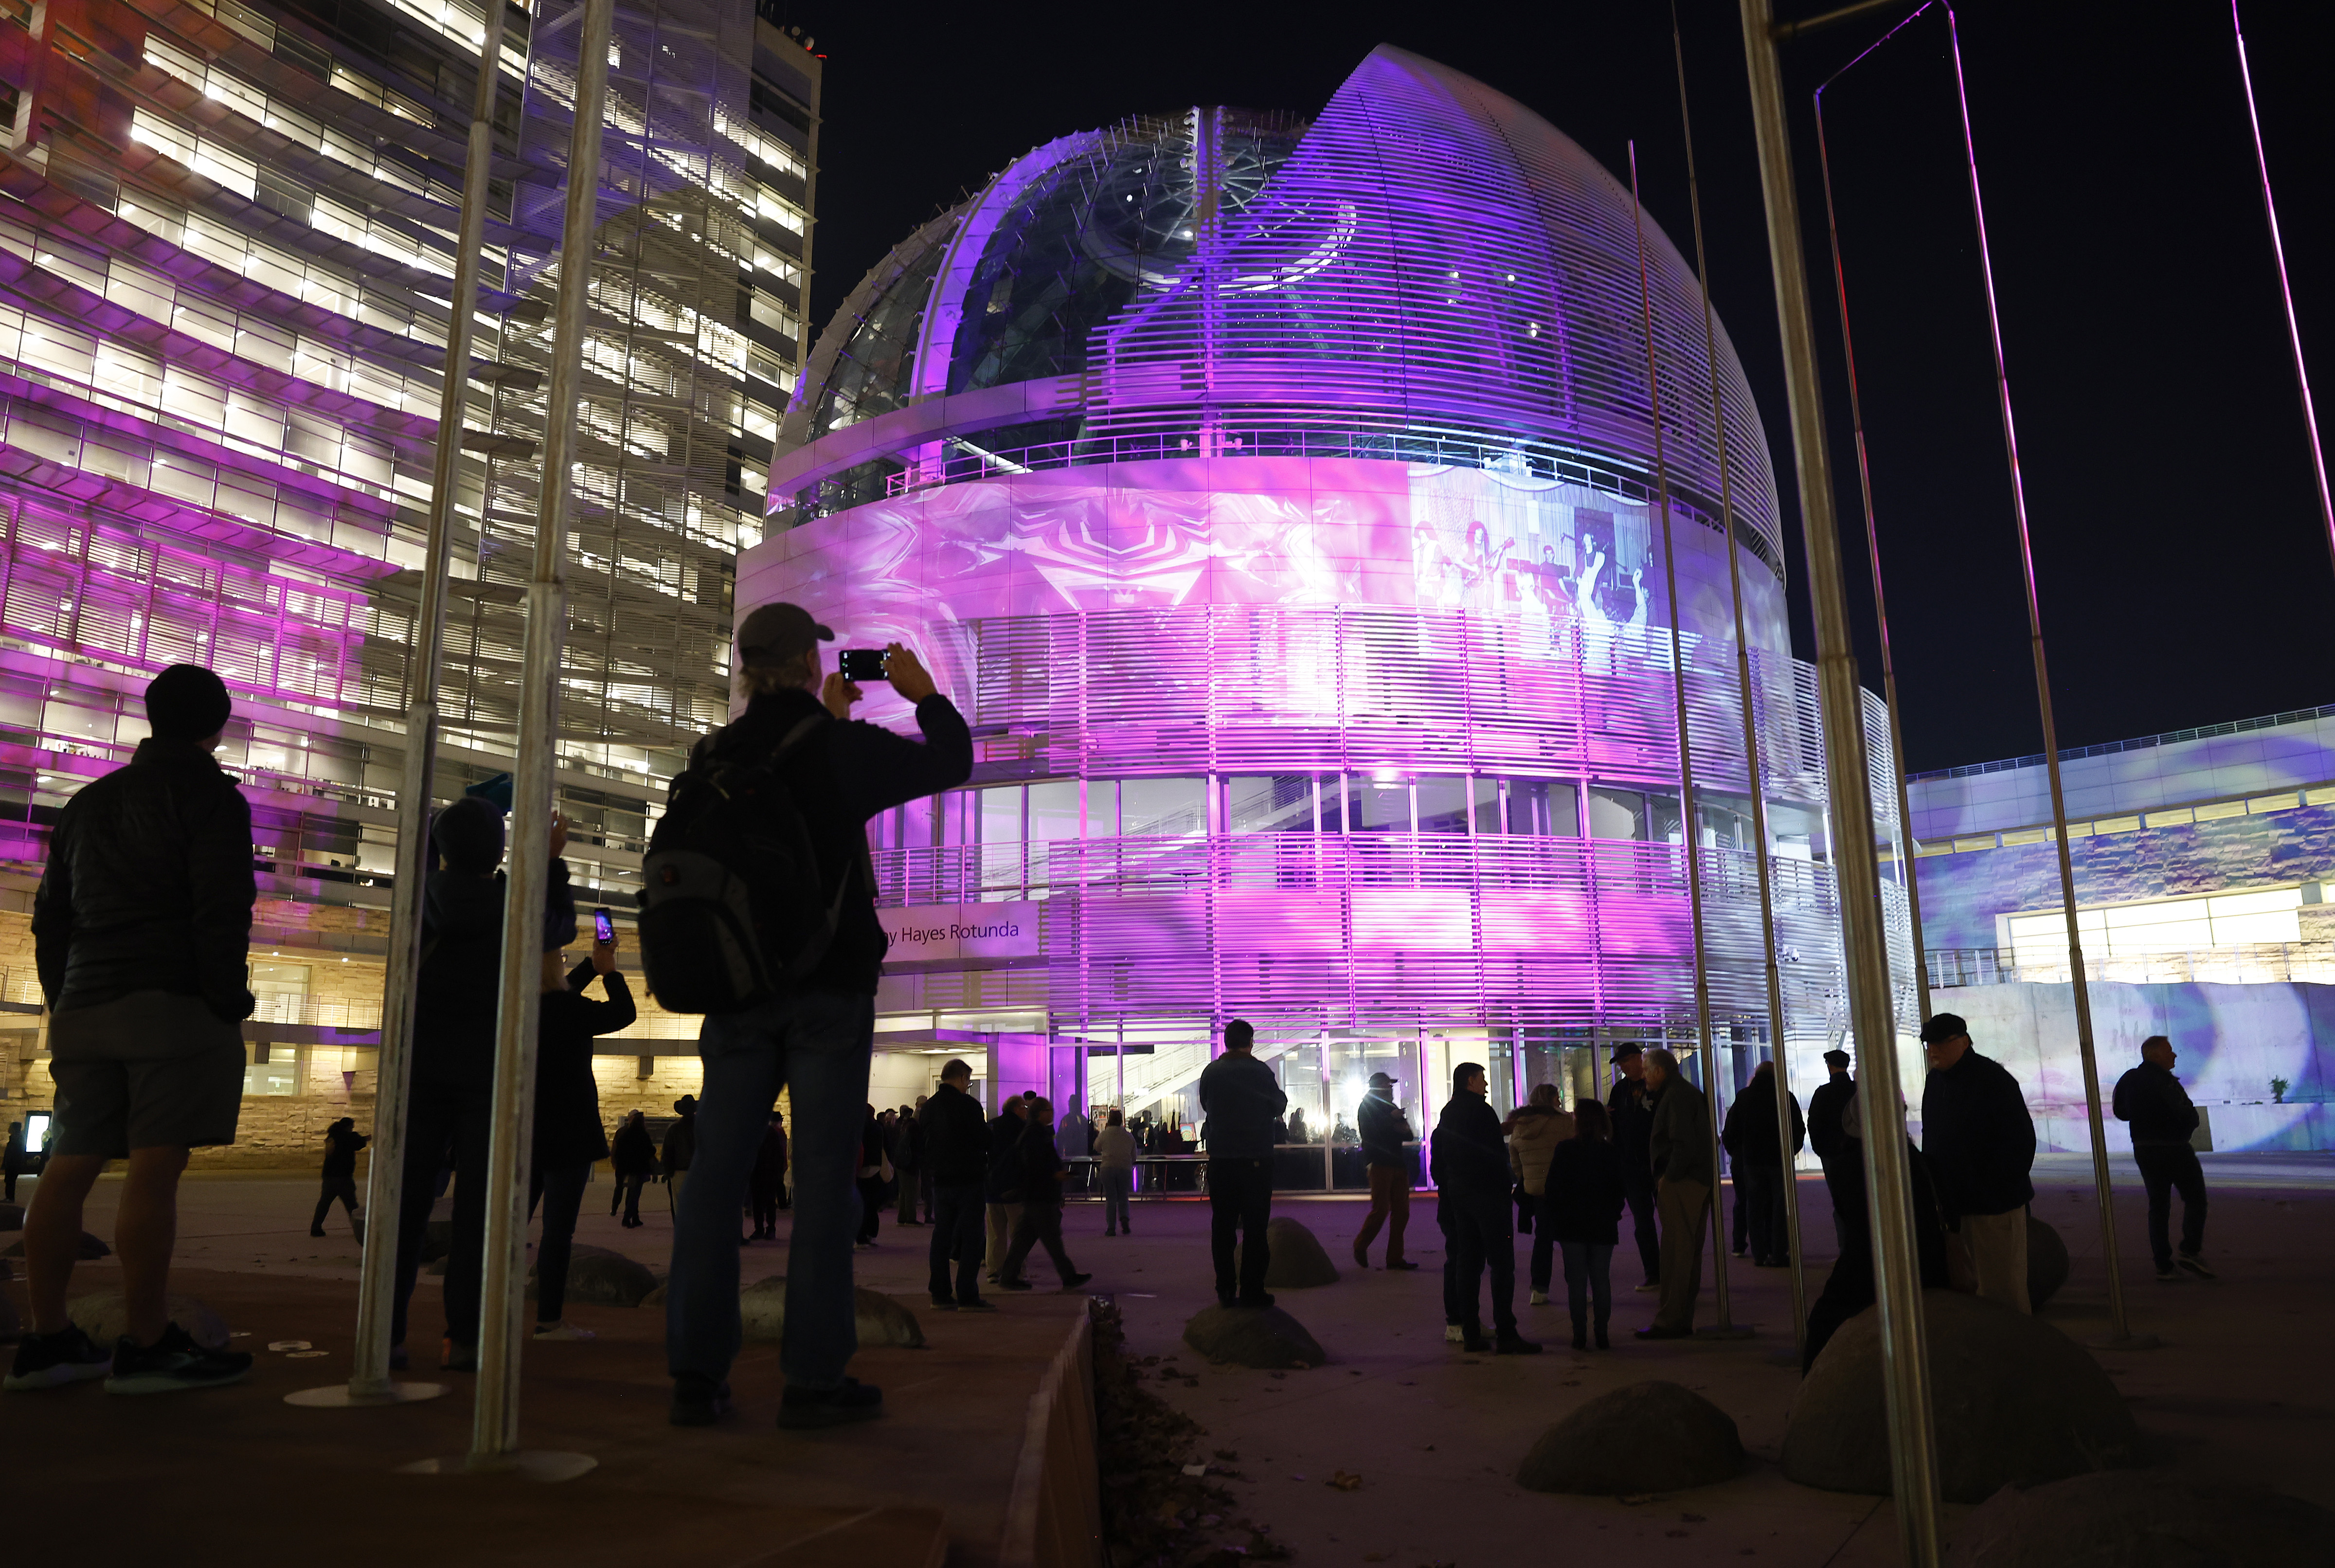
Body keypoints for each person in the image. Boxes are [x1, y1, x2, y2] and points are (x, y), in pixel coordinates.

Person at [664, 604, 970, 1431]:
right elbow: (953, 760)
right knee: (825, 1181)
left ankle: (696, 1372)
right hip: (829, 993)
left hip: (734, 995)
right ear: (810, 660)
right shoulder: (839, 749)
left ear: (745, 665)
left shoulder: (716, 753)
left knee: (715, 1180)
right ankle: (813, 1378)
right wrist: (922, 693)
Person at [10, 665, 256, 1394]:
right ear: (217, 725)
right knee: (155, 1165)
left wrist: (68, 998)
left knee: (70, 1162)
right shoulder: (210, 796)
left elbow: (51, 917)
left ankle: (47, 1336)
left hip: (86, 1003)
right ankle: (147, 1342)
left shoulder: (88, 803)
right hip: (170, 1000)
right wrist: (224, 998)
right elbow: (221, 906)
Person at [387, 797, 575, 1373]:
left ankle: (385, 1333)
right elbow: (559, 926)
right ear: (498, 850)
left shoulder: (418, 899)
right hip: (487, 1070)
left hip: (418, 1068)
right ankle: (463, 1337)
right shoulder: (510, 904)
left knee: (406, 1203)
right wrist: (547, 861)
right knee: (478, 1210)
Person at [1802, 1087, 1950, 1370]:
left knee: (1823, 1323)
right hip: (1928, 1266)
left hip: (1871, 1270)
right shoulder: (1919, 1162)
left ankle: (1813, 1397)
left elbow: (1852, 1220)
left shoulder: (1849, 1167)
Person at [532, 925, 632, 1341]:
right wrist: (609, 972)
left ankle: (481, 1315)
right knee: (558, 1233)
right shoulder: (567, 1010)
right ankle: (549, 1320)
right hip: (568, 1132)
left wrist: (592, 965)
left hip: (524, 1129)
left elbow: (560, 992)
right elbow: (623, 1013)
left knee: (506, 1223)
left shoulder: (518, 1005)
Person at [1919, 1012, 2036, 1314]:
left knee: (2002, 1292)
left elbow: (2020, 1143)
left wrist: (1992, 1187)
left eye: (1942, 1044)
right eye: (1929, 1044)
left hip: (1993, 1208)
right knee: (1967, 1292)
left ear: (1964, 1042)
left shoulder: (1992, 1080)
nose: (1933, 1051)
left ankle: (2014, 1354)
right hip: (1955, 1210)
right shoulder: (1936, 1082)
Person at [1430, 1062, 1537, 1354]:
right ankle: (1506, 1333)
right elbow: (1492, 1154)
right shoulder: (1482, 1110)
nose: (1486, 1085)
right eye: (1482, 1079)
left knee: (1467, 1262)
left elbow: (1446, 1155)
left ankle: (1471, 1332)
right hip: (1489, 1198)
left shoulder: (1449, 1113)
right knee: (1501, 1265)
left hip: (1460, 1197)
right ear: (1470, 1081)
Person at [1198, 1018, 1286, 1309]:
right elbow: (1278, 1105)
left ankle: (1225, 1288)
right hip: (1256, 1159)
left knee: (1222, 1227)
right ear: (1251, 1042)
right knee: (1255, 1228)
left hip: (1221, 1159)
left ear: (1226, 1042)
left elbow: (1206, 1104)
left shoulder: (1211, 1072)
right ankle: (1252, 1289)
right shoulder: (1260, 1071)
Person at [2114, 1035, 2212, 1281]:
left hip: (2145, 1149)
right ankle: (2190, 1251)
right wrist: (2187, 1127)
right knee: (2196, 1199)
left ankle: (2163, 1265)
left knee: (2158, 1206)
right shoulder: (2165, 1082)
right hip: (2175, 1148)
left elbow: (2120, 1111)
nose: (2174, 1055)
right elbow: (2186, 1112)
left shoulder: (2129, 1079)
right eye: (2169, 1051)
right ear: (2155, 1055)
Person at [1636, 1047, 1712, 1339]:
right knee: (1685, 1253)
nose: (1644, 1076)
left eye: (1646, 1070)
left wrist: (1670, 1177)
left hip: (1683, 1182)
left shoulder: (1677, 1095)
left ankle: (1670, 1320)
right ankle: (1678, 1318)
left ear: (1660, 1071)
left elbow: (1683, 1142)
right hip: (1690, 1180)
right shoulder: (1682, 1092)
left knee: (1677, 1254)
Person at [1542, 1099, 1627, 1351]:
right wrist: (1613, 1213)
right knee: (1601, 1279)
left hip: (1572, 1224)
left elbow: (1553, 1188)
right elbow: (1619, 1190)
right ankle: (1602, 1333)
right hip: (1603, 1224)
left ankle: (1579, 1335)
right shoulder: (1610, 1152)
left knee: (1576, 1282)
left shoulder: (1565, 1150)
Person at [996, 1097, 1093, 1293]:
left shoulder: (1034, 1132)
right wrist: (1053, 1175)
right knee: (1052, 1239)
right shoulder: (1035, 1134)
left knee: (1024, 1239)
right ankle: (1068, 1276)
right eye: (1049, 1109)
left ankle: (1008, 1276)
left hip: (1035, 1194)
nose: (1052, 1112)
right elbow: (1034, 1164)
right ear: (1040, 1113)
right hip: (1040, 1195)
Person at [922, 1059, 994, 1311]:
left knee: (942, 1236)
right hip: (969, 1179)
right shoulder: (969, 1105)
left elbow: (925, 1144)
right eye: (969, 1081)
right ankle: (967, 1294)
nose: (968, 1086)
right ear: (962, 1078)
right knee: (972, 1238)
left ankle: (940, 1294)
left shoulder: (929, 1107)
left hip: (941, 1180)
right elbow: (984, 1139)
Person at [1719, 1061, 1804, 1269]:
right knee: (1780, 1207)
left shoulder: (1744, 1097)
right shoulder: (1785, 1096)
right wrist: (1789, 1152)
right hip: (1778, 1160)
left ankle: (1758, 1253)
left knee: (1754, 1207)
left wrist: (1738, 1153)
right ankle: (1778, 1253)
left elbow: (1730, 1130)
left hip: (1752, 1161)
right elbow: (1798, 1129)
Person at [1505, 1083, 1574, 1305]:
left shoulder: (1520, 1125)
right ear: (1551, 1100)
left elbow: (1515, 1160)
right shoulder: (1563, 1123)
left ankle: (1539, 1289)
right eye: (1557, 1098)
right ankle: (1577, 1286)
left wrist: (1529, 1178)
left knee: (1543, 1239)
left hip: (1537, 1191)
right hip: (1563, 1189)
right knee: (1570, 1240)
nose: (1560, 1103)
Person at [1606, 1045, 1662, 1292]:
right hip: (1631, 1165)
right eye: (1620, 1063)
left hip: (1658, 1163)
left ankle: (1673, 1270)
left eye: (1627, 1061)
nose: (1623, 1067)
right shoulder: (1620, 1090)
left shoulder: (1658, 1086)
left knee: (1671, 1219)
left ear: (1641, 1059)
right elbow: (1615, 1123)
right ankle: (1654, 1272)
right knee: (1643, 1222)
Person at [1353, 1071, 1419, 1270]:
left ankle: (1395, 1258)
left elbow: (1408, 1134)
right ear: (1379, 1087)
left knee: (1402, 1212)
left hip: (1397, 1163)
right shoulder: (1367, 1107)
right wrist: (1393, 1121)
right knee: (1380, 1210)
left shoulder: (1391, 1108)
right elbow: (1370, 1133)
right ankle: (1360, 1245)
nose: (1391, 1089)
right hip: (1380, 1163)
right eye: (1388, 1085)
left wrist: (1399, 1125)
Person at [1806, 1048, 1856, 1249]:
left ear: (1830, 1066)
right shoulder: (1858, 1090)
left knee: (1840, 1201)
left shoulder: (1823, 1093)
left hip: (1832, 1154)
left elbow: (1814, 1124)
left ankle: (1846, 1249)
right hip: (1858, 1152)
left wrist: (1821, 1150)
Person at [984, 1094, 1029, 1283]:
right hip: (1014, 1187)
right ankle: (1016, 1270)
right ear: (1017, 1108)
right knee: (1018, 1232)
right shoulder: (1022, 1129)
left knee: (995, 1232)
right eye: (1024, 1108)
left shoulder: (992, 1126)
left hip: (992, 1186)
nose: (1026, 1111)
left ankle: (994, 1270)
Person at [310, 1117, 369, 1239]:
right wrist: (365, 1139)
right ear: (347, 1127)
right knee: (352, 1205)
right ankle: (362, 1231)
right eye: (351, 1127)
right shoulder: (346, 1137)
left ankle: (316, 1228)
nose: (352, 1129)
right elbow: (357, 1144)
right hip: (343, 1177)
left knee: (324, 1204)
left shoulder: (333, 1136)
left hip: (329, 1176)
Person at [611, 1110, 656, 1227]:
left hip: (625, 1168)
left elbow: (617, 1150)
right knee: (634, 1195)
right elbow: (649, 1151)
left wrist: (616, 1164)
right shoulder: (643, 1135)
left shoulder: (624, 1134)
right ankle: (628, 1217)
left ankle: (631, 1216)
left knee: (627, 1191)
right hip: (638, 1169)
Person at [747, 1114, 788, 1240]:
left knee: (764, 1202)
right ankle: (766, 1229)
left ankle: (764, 1229)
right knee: (763, 1203)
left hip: (765, 1171)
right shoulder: (769, 1132)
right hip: (763, 1171)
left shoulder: (764, 1133)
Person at [1096, 1108, 1136, 1236]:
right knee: (1123, 1196)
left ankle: (1111, 1228)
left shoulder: (1104, 1134)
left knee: (1111, 1198)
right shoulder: (1128, 1136)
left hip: (1107, 1168)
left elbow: (1096, 1147)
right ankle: (1125, 1220)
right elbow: (1134, 1156)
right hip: (1124, 1168)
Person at [855, 1105, 886, 1247]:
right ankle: (872, 1234)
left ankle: (861, 1237)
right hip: (876, 1167)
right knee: (872, 1205)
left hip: (861, 1168)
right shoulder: (878, 1128)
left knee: (861, 1204)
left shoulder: (858, 1128)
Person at [662, 1095, 698, 1213]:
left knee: (680, 1206)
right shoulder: (703, 1127)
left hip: (680, 1172)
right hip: (700, 1171)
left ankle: (682, 1229)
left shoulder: (674, 1129)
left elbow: (668, 1152)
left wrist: (668, 1171)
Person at [891, 1103, 923, 1225]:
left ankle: (902, 1217)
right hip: (909, 1162)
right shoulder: (915, 1127)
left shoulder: (905, 1125)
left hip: (900, 1161)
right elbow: (917, 1147)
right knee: (911, 1191)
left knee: (903, 1191)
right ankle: (910, 1218)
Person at [1056, 1096, 1090, 1193]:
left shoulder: (1083, 1119)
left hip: (1082, 1151)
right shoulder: (1066, 1120)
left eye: (1074, 1104)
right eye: (1071, 1104)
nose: (1073, 1106)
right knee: (1071, 1173)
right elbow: (1061, 1136)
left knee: (1082, 1172)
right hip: (1070, 1151)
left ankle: (1081, 1189)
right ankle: (1071, 1190)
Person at [4, 1121, 28, 1203]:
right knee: (10, 1181)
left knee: (10, 1181)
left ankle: (10, 1198)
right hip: (13, 1164)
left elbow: (14, 1153)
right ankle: (9, 1197)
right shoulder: (17, 1138)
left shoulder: (16, 1139)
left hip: (13, 1164)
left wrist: (9, 1163)